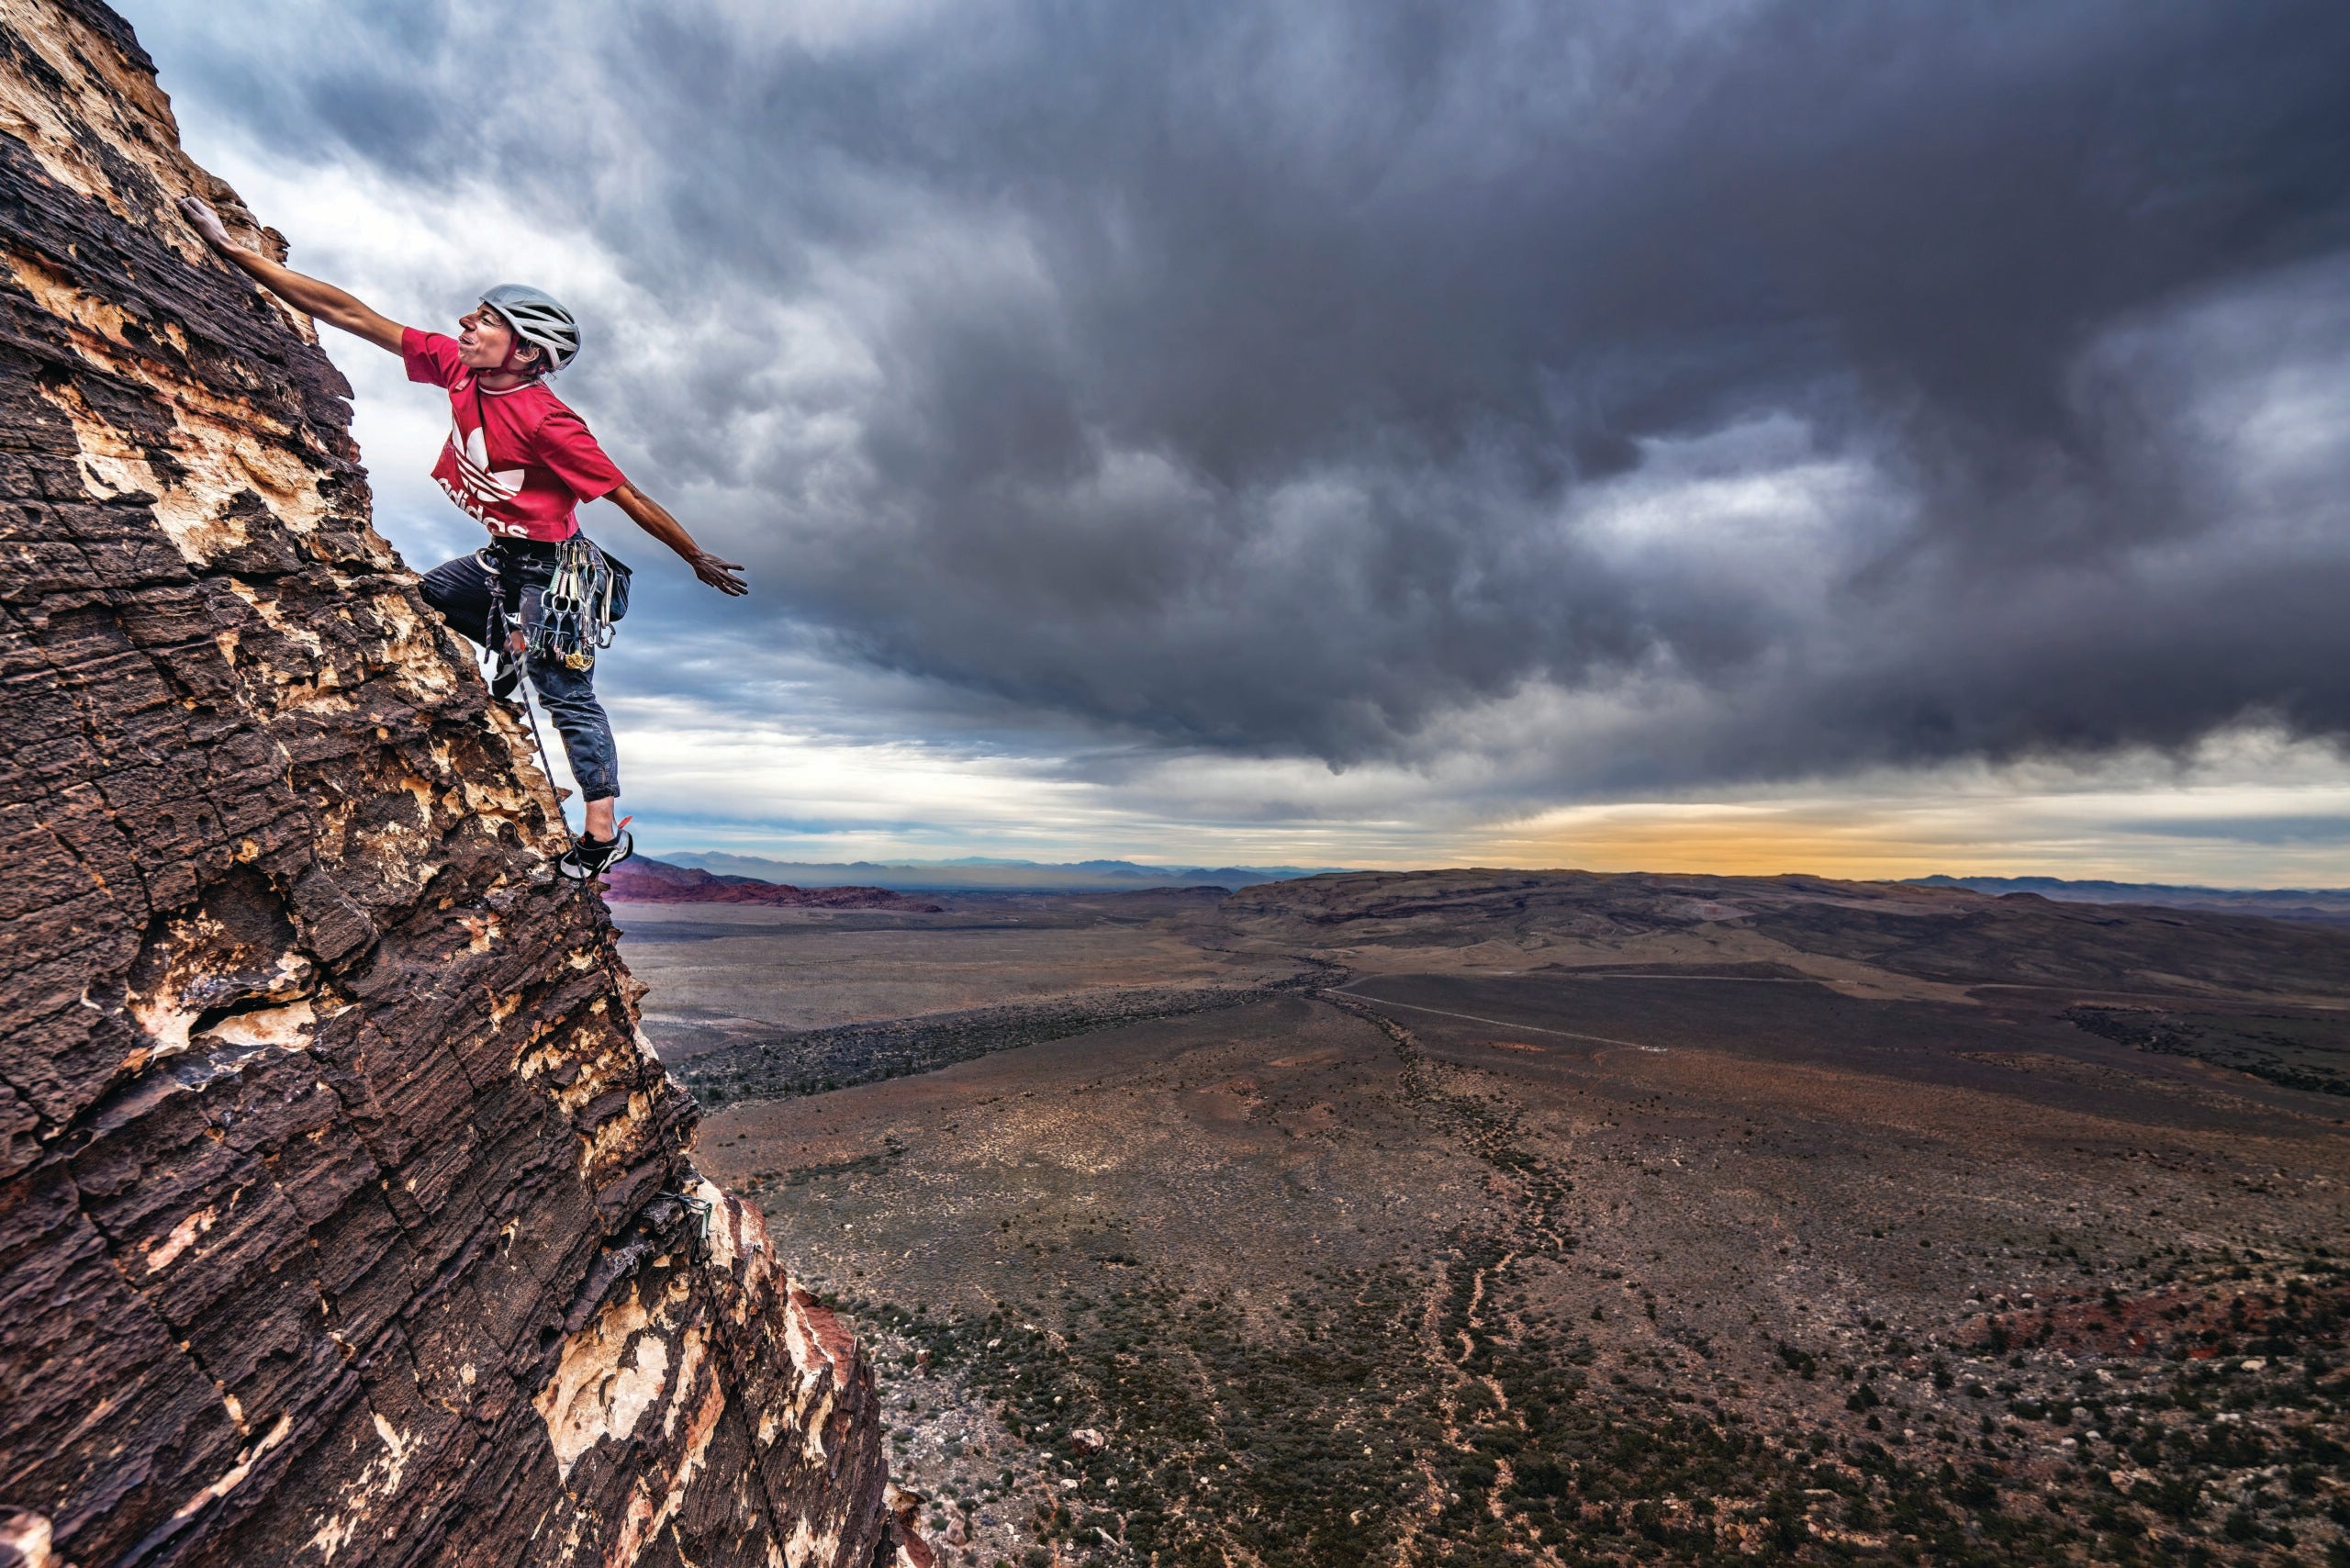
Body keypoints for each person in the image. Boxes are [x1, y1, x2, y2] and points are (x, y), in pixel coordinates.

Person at [175, 196, 745, 880]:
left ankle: (601, 833)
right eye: (473, 316)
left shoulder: (550, 423)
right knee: (431, 597)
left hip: (554, 572)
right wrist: (234, 253)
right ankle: (509, 640)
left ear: (528, 351)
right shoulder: (459, 368)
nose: (464, 325)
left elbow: (626, 497)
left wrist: (694, 557)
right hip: (504, 559)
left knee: (562, 690)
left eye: (484, 322)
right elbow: (352, 315)